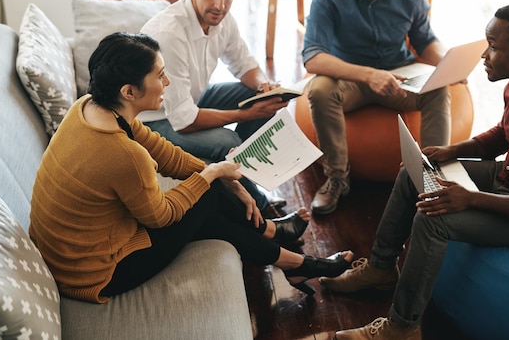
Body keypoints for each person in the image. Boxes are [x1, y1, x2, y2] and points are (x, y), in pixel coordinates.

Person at [319, 2, 509, 340]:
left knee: (434, 219)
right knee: (414, 172)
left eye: (493, 47)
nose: (484, 56)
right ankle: (380, 268)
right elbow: (504, 132)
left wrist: (472, 200)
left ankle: (402, 328)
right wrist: (452, 151)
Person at [28, 32, 353, 303]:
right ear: (129, 91)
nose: (167, 81)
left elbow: (163, 152)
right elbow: (163, 216)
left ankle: (291, 260)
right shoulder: (122, 153)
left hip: (71, 254)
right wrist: (212, 174)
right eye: (159, 75)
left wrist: (229, 180)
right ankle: (279, 240)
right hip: (97, 272)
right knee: (206, 196)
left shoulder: (88, 107)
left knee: (209, 196)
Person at [302, 0, 451, 215]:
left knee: (439, 89)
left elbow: (425, 39)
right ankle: (336, 180)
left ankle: (433, 179)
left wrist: (446, 63)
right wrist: (369, 74)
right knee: (319, 90)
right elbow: (313, 57)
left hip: (398, 76)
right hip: (350, 77)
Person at [140, 0, 288, 219]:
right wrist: (245, 114)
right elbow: (183, 120)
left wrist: (264, 85)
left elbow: (245, 65)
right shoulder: (170, 33)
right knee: (227, 139)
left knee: (262, 97)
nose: (220, 5)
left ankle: (248, 175)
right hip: (155, 122)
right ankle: (263, 212)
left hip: (189, 101)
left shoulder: (222, 19)